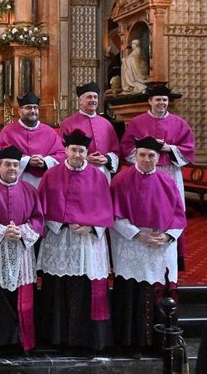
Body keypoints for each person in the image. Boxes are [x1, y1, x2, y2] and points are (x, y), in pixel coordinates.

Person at [36, 130, 114, 352]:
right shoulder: (51, 175)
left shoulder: (98, 176)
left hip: (88, 241)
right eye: (73, 150)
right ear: (66, 151)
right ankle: (56, 336)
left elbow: (106, 208)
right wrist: (63, 223)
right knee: (58, 287)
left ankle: (86, 337)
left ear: (87, 152)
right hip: (61, 237)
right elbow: (41, 207)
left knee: (85, 286)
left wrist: (92, 226)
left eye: (82, 151)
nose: (78, 155)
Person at [110, 136, 186, 352]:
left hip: (160, 247)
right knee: (131, 295)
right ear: (136, 155)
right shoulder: (121, 180)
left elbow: (179, 216)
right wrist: (137, 235)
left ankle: (159, 341)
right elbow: (113, 217)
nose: (146, 159)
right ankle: (129, 342)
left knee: (158, 295)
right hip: (132, 245)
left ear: (157, 157)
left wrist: (168, 236)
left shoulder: (167, 181)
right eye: (142, 154)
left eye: (151, 155)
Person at [0, 146, 44, 354]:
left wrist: (21, 232)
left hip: (21, 249)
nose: (12, 168)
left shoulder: (30, 190)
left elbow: (38, 218)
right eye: (8, 164)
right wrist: (3, 231)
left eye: (15, 165)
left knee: (20, 296)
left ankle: (19, 342)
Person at [120, 83, 195, 209]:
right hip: (145, 170)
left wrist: (169, 148)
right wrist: (145, 153)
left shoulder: (180, 123)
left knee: (170, 203)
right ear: (150, 101)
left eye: (165, 99)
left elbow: (189, 148)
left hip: (170, 169)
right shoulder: (137, 122)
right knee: (146, 203)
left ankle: (170, 228)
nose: (162, 102)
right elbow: (126, 146)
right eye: (158, 99)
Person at [0, 92, 65, 188]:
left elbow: (62, 154)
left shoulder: (49, 132)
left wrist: (45, 162)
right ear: (20, 111)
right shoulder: (8, 132)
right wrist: (27, 161)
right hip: (17, 181)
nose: (33, 111)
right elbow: (1, 154)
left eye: (35, 108)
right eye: (28, 108)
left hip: (45, 181)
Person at [59, 81, 120, 181]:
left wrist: (106, 159)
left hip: (103, 172)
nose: (93, 100)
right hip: (77, 172)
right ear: (80, 101)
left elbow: (116, 151)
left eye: (95, 97)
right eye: (89, 97)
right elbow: (61, 152)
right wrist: (83, 159)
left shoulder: (107, 124)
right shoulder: (68, 123)